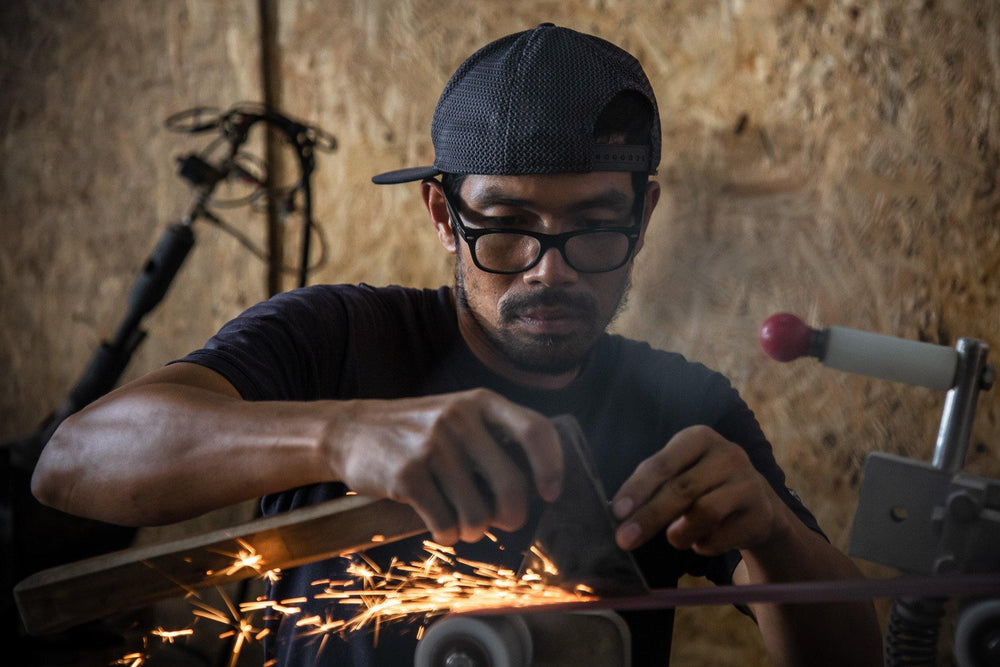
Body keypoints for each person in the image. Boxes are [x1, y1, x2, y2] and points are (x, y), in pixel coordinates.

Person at [32, 23, 881, 666]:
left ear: (645, 213)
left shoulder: (679, 408)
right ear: (444, 214)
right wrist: (339, 434)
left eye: (593, 228)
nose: (549, 273)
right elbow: (71, 465)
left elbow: (853, 652)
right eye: (507, 228)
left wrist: (769, 530)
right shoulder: (335, 338)